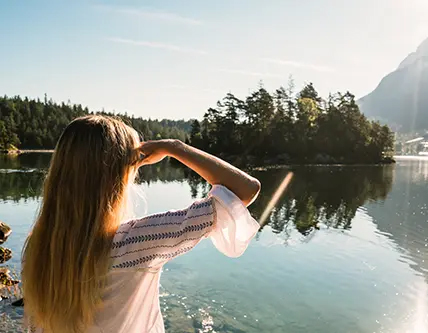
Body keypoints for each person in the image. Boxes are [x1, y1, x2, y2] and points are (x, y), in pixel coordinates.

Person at [21, 115, 261, 333]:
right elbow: (245, 190)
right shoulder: (137, 241)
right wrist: (174, 148)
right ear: (120, 173)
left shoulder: (39, 245)